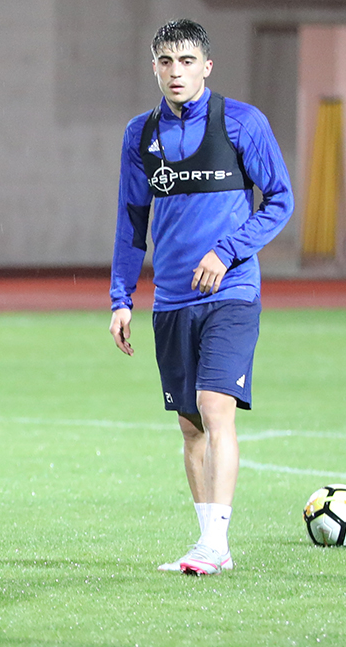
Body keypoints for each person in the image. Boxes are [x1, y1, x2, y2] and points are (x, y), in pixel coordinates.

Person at [109, 20, 293, 575]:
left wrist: (227, 251)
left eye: (187, 61)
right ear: (154, 68)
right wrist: (121, 297)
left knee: (216, 410)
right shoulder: (140, 134)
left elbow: (280, 199)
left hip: (232, 292)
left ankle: (215, 544)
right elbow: (130, 223)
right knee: (190, 425)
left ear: (207, 66)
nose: (176, 72)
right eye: (166, 61)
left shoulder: (242, 122)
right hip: (171, 300)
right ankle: (208, 542)